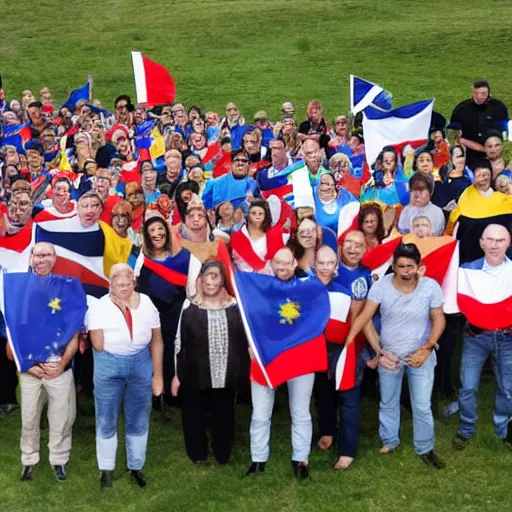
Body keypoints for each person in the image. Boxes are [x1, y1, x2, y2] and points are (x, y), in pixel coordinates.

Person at [345, 243, 446, 469]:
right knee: (388, 402)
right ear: (393, 266)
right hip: (390, 356)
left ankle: (425, 446)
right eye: (402, 266)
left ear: (419, 266)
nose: (407, 271)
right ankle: (390, 440)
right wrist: (362, 345)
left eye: (411, 266)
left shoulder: (431, 287)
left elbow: (439, 319)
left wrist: (427, 348)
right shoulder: (381, 287)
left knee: (421, 405)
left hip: (421, 356)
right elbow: (365, 317)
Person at [88, 263, 164, 488]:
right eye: (117, 281)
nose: (122, 285)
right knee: (105, 417)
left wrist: (157, 375)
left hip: (141, 363)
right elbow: (98, 346)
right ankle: (106, 468)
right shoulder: (99, 307)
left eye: (127, 281)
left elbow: (157, 340)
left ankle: (136, 465)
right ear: (109, 283)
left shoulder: (147, 303)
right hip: (108, 364)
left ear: (134, 282)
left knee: (139, 415)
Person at [246, 247, 316, 479]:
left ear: (295, 263)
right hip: (268, 357)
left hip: (299, 358)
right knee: (260, 412)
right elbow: (251, 319)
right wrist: (251, 347)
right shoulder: (262, 289)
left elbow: (316, 321)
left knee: (300, 412)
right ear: (272, 264)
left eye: (287, 263)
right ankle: (258, 458)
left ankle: (301, 458)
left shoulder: (308, 289)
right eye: (278, 263)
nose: (282, 267)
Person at [171, 261, 249, 464]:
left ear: (223, 281)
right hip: (194, 373)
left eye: (216, 276)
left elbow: (246, 341)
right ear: (200, 279)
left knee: (224, 413)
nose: (211, 281)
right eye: (208, 276)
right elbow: (179, 341)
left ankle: (223, 453)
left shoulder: (235, 306)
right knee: (193, 413)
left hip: (227, 373)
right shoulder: (189, 305)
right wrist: (177, 375)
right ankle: (197, 454)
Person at [19, 242, 81, 482]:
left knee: (62, 417)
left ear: (55, 259)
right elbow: (13, 336)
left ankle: (59, 459)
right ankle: (28, 460)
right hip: (29, 370)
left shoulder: (67, 289)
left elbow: (75, 333)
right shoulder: (19, 290)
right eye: (37, 255)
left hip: (58, 367)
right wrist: (27, 365)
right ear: (31, 258)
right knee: (29, 418)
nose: (42, 259)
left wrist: (62, 365)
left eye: (47, 255)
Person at [313, 242, 375, 470]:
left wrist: (373, 349)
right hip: (315, 350)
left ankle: (347, 450)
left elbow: (360, 321)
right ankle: (328, 431)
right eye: (321, 263)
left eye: (330, 263)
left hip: (343, 349)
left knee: (349, 399)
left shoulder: (345, 291)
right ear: (314, 264)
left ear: (336, 265)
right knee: (322, 394)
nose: (325, 267)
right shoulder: (305, 289)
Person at [452, 224, 512, 450]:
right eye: (490, 239)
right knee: (468, 386)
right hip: (476, 337)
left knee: (508, 388)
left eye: (500, 240)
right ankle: (467, 427)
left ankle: (503, 427)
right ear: (481, 242)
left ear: (508, 242)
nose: (495, 245)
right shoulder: (467, 271)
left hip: (507, 338)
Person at [135, 217, 199, 400]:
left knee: (173, 351)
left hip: (175, 314)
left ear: (167, 231)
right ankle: (151, 390)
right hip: (149, 315)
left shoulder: (185, 257)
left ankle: (173, 392)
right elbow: (135, 281)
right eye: (152, 230)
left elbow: (193, 288)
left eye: (160, 229)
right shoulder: (143, 257)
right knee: (148, 350)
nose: (157, 234)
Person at [446, 158, 512, 264]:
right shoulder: (465, 198)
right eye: (479, 174)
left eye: (485, 174)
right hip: (469, 262)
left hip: (501, 262)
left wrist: (509, 187)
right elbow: (451, 229)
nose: (483, 178)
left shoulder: (503, 200)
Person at [449, 78, 509, 168]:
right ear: (472, 92)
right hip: (469, 155)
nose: (479, 96)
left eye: (483, 93)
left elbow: (505, 132)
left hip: (493, 155)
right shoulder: (461, 110)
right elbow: (453, 134)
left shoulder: (498, 108)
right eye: (476, 93)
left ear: (489, 93)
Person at [231, 200, 285, 275]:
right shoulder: (237, 237)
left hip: (268, 279)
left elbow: (279, 260)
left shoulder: (273, 236)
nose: (257, 215)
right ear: (247, 215)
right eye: (253, 213)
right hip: (242, 280)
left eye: (260, 213)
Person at [313, 172, 358, 250]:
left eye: (331, 184)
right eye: (324, 183)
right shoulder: (311, 195)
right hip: (317, 246)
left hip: (343, 246)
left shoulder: (345, 196)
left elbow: (356, 215)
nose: (328, 187)